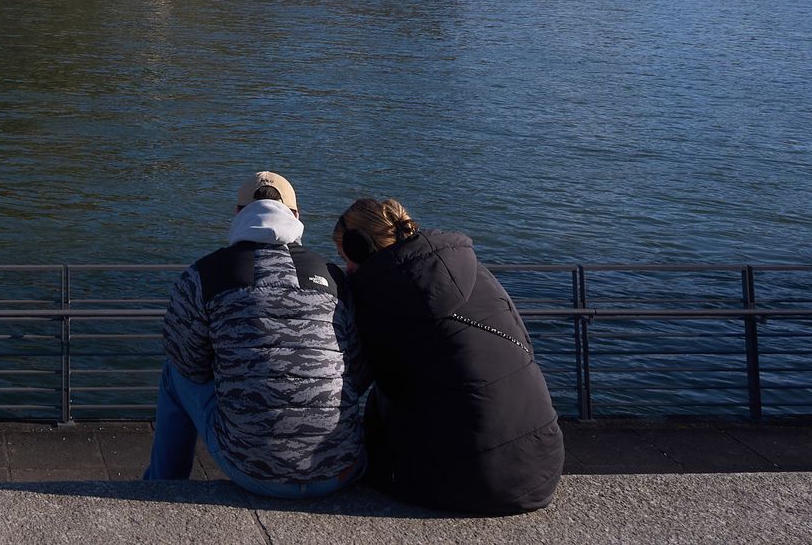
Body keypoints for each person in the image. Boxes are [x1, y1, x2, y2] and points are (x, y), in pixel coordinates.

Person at [334, 197, 563, 515]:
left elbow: (367, 379)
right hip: (543, 463)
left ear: (359, 247)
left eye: (347, 259)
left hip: (469, 480)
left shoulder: (380, 293)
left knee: (368, 425)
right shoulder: (474, 270)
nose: (348, 269)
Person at [145, 171, 367, 497]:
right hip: (340, 468)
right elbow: (358, 371)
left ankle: (161, 489)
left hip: (254, 471)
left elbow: (189, 364)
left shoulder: (203, 275)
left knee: (172, 374)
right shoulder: (334, 277)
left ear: (238, 215)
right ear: (296, 216)